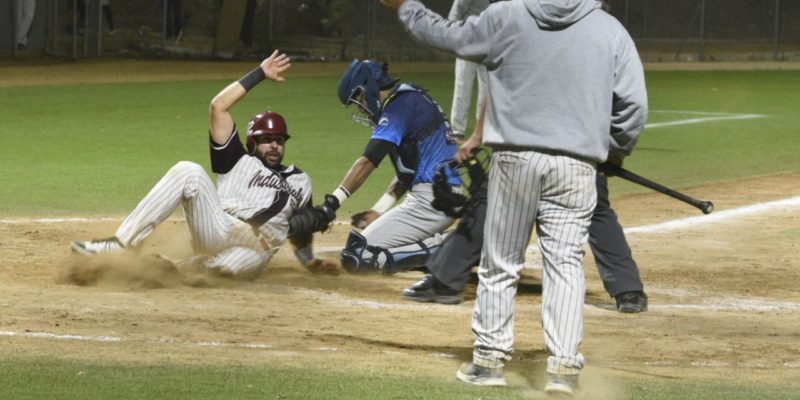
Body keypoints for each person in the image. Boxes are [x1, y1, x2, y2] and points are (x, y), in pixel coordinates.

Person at [380, 0, 648, 396]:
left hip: (515, 159)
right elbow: (634, 108)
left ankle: (489, 361)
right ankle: (563, 370)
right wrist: (615, 150)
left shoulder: (505, 16)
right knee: (566, 266)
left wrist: (407, 7)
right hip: (576, 166)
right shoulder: (610, 30)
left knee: (501, 262)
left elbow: (448, 36)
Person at [70, 51, 339, 279]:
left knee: (222, 272)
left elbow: (300, 229)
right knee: (189, 171)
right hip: (221, 227)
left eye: (279, 140)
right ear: (251, 143)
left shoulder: (300, 179)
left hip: (256, 251)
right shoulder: (236, 159)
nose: (274, 145)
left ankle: (169, 269)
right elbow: (218, 106)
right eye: (266, 139)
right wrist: (259, 73)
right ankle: (121, 246)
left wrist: (309, 261)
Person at [403, 103, 649, 313]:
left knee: (488, 204)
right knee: (595, 208)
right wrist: (614, 151)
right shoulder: (607, 45)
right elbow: (632, 104)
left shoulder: (522, 44)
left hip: (522, 143)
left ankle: (445, 279)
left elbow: (496, 82)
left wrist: (478, 136)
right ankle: (628, 291)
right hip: (580, 145)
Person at [307, 59, 462, 274]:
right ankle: (435, 247)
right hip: (437, 197)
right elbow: (405, 175)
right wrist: (379, 210)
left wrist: (331, 204)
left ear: (368, 87)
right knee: (373, 251)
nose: (360, 107)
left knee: (359, 258)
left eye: (358, 98)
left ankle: (448, 248)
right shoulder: (411, 99)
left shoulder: (400, 107)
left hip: (432, 201)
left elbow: (367, 161)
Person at [447, 0, 490, 139]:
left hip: (489, 43)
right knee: (463, 86)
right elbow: (454, 16)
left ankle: (483, 128)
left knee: (487, 88)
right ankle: (457, 130)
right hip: (467, 42)